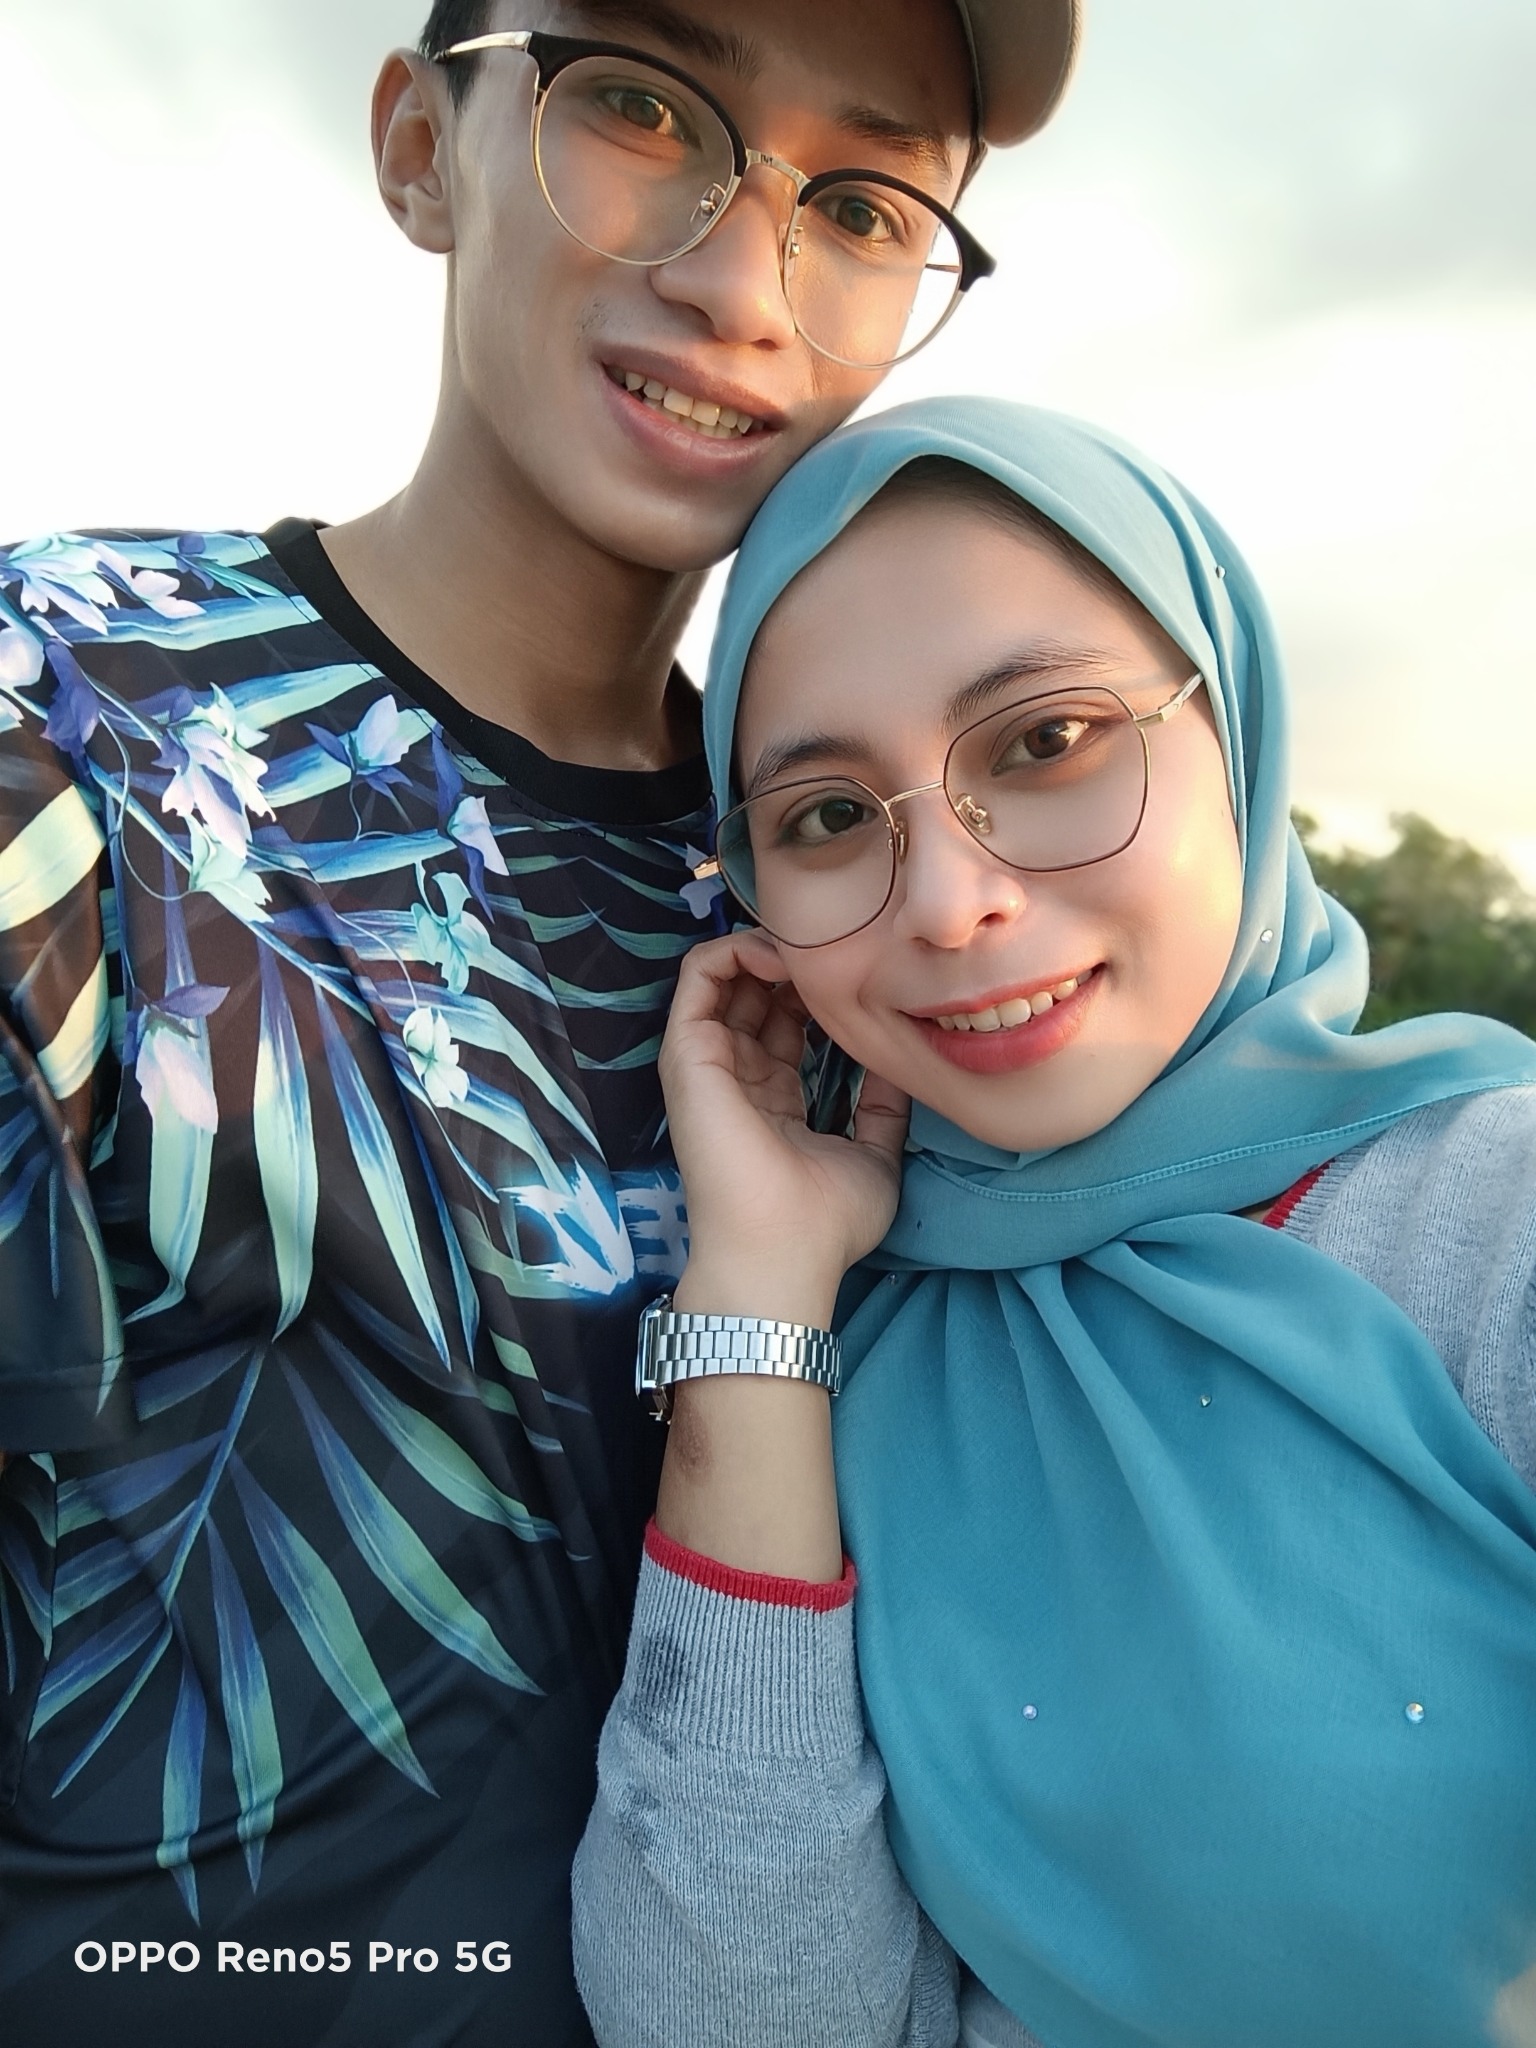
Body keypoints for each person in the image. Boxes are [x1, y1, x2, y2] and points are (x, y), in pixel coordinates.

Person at [0, 7, 1082, 2041]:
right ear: (425, 146)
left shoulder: (889, 909)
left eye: (863, 205)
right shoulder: (69, 731)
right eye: (643, 107)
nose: (743, 283)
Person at [572, 398, 1536, 2048]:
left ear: (1231, 725)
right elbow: (726, 2020)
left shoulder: (1494, 1220)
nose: (952, 905)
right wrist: (761, 1292)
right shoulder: (848, 1356)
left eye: (1044, 741)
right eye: (827, 817)